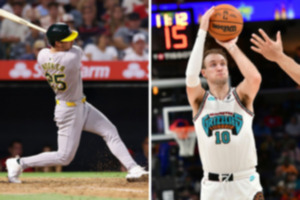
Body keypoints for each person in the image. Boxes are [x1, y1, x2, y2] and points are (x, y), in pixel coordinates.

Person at [6, 23, 148, 183]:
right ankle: (18, 163)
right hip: (68, 111)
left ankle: (133, 168)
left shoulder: (43, 55)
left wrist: (55, 37)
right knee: (64, 157)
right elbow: (76, 48)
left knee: (110, 131)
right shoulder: (72, 57)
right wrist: (55, 37)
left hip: (81, 105)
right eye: (67, 40)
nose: (72, 41)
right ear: (58, 43)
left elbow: (48, 47)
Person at [185, 7, 263, 199]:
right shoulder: (199, 101)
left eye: (222, 63)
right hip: (213, 187)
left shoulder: (241, 96)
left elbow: (254, 78)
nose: (219, 67)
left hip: (246, 182)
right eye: (213, 64)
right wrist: (202, 31)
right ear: (204, 73)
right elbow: (190, 76)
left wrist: (231, 47)